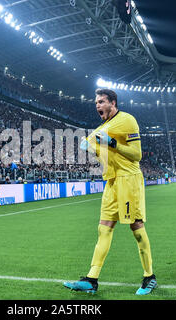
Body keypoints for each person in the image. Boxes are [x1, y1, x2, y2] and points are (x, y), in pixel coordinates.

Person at [63, 88, 156, 295]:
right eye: (96, 102)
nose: (98, 105)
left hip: (128, 181)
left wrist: (111, 143)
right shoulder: (102, 127)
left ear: (113, 103)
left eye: (102, 102)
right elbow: (98, 150)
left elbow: (137, 155)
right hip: (112, 183)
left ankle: (149, 276)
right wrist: (92, 147)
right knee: (103, 229)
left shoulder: (127, 120)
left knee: (136, 227)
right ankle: (91, 279)